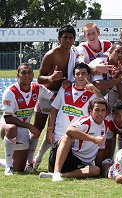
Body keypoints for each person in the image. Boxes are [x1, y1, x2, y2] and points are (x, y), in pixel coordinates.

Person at [36, 63, 102, 168]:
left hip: (77, 137)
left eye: (84, 73)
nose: (81, 76)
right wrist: (50, 130)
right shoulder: (65, 87)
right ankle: (36, 162)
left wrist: (94, 89)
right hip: (58, 134)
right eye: (78, 74)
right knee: (50, 146)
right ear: (74, 76)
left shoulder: (92, 92)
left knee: (65, 167)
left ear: (89, 75)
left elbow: (104, 105)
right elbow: (54, 109)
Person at [31, 25, 77, 171]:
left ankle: (37, 160)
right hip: (46, 94)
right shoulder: (50, 55)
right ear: (59, 39)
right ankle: (28, 160)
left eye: (71, 38)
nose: (68, 40)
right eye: (65, 37)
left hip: (62, 95)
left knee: (55, 129)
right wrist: (51, 77)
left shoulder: (74, 53)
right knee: (38, 128)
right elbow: (39, 78)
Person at [0, 63, 54, 175]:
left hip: (23, 129)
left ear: (33, 74)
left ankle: (21, 163)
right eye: (23, 72)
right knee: (11, 128)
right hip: (7, 126)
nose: (26, 75)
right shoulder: (10, 91)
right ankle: (8, 166)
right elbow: (8, 118)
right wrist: (30, 127)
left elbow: (55, 98)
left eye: (29, 72)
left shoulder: (37, 88)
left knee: (19, 168)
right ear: (17, 75)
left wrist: (65, 87)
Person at [39, 98, 110, 181]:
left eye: (103, 110)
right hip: (69, 158)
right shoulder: (85, 121)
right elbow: (69, 130)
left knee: (96, 170)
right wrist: (93, 139)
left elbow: (100, 149)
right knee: (67, 137)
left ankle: (59, 175)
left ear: (106, 112)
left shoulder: (106, 125)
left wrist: (101, 171)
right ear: (90, 110)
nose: (100, 113)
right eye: (97, 110)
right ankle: (57, 172)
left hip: (82, 165)